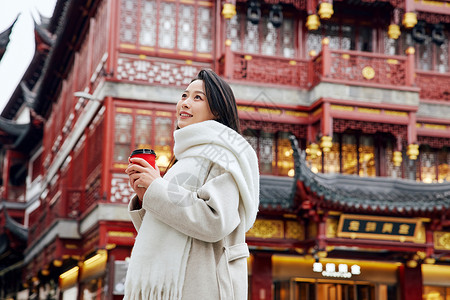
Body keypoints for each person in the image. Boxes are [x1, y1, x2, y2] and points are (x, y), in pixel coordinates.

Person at [123, 69, 260, 300]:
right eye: (184, 95)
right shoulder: (184, 159)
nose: (185, 103)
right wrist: (146, 196)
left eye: (197, 98)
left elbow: (214, 220)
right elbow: (167, 228)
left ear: (216, 110)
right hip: (173, 287)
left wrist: (157, 188)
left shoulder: (225, 155)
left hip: (202, 283)